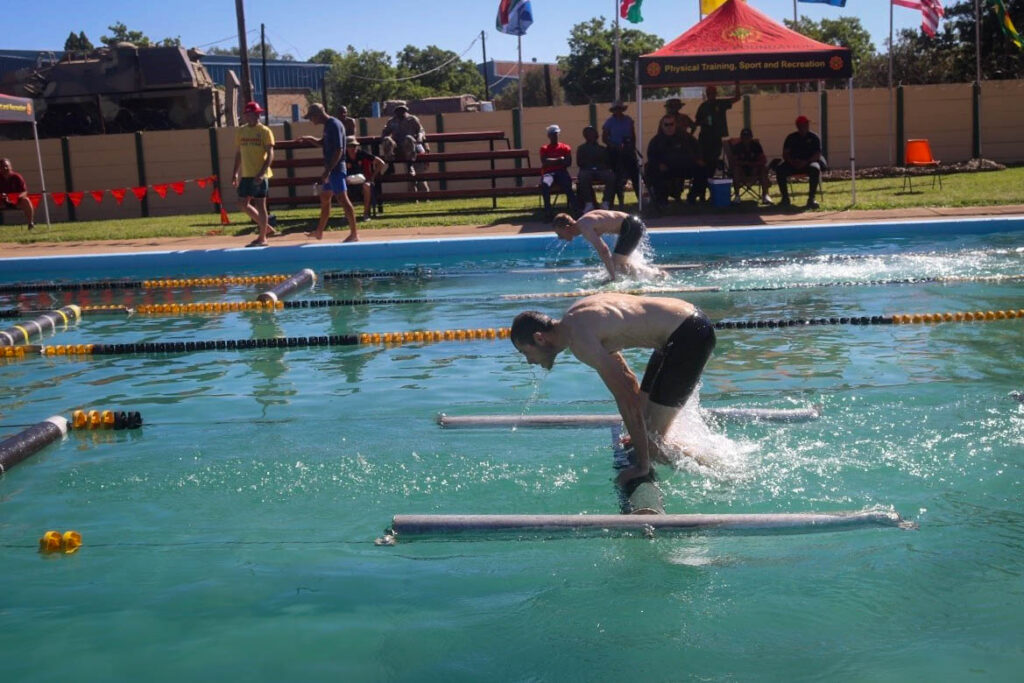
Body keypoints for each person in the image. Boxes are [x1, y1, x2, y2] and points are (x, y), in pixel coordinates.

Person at [511, 293, 716, 486]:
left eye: (525, 352)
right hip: (683, 328)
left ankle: (720, 471)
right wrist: (639, 433)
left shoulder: (579, 340)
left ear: (539, 338)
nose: (529, 361)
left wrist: (641, 465)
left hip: (689, 337)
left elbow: (625, 398)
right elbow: (628, 380)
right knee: (646, 433)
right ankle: (705, 460)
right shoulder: (575, 319)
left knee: (653, 443)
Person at [298, 103, 358, 242]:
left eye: (311, 117)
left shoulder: (334, 125)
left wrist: (328, 170)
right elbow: (323, 143)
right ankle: (319, 232)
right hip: (332, 169)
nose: (310, 120)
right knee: (325, 198)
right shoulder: (328, 126)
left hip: (335, 169)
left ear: (317, 115)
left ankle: (354, 234)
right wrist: (310, 139)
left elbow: (339, 150)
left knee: (343, 200)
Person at [550, 209, 653, 280]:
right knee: (620, 264)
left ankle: (656, 275)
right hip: (631, 224)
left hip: (631, 226)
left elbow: (604, 250)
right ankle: (650, 275)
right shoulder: (583, 223)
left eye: (559, 234)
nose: (559, 237)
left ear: (567, 228)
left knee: (617, 265)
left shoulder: (584, 227)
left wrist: (612, 278)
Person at [231, 101, 277, 247]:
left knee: (260, 204)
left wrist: (262, 173)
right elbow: (238, 153)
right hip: (246, 174)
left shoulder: (264, 131)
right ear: (246, 115)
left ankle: (262, 238)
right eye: (252, 114)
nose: (256, 116)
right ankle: (266, 227)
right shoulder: (241, 131)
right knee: (241, 203)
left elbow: (270, 153)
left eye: (257, 114)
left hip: (259, 175)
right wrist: (235, 173)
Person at [644, 115, 707, 210]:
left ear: (675, 125)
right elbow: (651, 157)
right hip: (666, 169)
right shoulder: (656, 141)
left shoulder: (685, 137)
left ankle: (692, 197)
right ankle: (662, 200)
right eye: (666, 124)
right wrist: (658, 165)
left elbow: (697, 147)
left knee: (702, 168)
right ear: (662, 126)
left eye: (671, 124)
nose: (669, 127)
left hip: (684, 167)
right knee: (650, 168)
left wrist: (698, 159)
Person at [775, 115, 824, 209]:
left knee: (815, 168)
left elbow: (817, 154)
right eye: (803, 124)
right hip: (793, 164)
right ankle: (785, 199)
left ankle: (811, 199)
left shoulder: (814, 137)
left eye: (806, 124)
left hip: (808, 163)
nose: (805, 126)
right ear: (798, 126)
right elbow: (785, 153)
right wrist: (792, 161)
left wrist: (806, 162)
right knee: (780, 169)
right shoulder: (791, 137)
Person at [381, 103, 429, 193]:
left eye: (402, 110)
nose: (401, 112)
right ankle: (391, 166)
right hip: (400, 148)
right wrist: (385, 138)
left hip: (414, 148)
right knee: (410, 177)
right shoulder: (392, 121)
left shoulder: (412, 119)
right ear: (395, 112)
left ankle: (425, 196)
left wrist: (422, 142)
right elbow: (385, 133)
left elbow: (421, 131)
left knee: (420, 175)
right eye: (398, 110)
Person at [695, 84, 741, 177]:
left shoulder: (720, 103)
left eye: (713, 93)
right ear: (707, 94)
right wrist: (703, 121)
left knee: (714, 159)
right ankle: (704, 179)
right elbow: (697, 122)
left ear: (716, 94)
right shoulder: (703, 106)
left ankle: (710, 178)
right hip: (704, 137)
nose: (711, 95)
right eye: (709, 93)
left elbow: (737, 98)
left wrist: (737, 84)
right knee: (703, 160)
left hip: (716, 137)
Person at [601, 101, 639, 204]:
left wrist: (631, 146)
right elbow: (604, 138)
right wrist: (614, 145)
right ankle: (618, 200)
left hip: (628, 151)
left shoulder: (628, 120)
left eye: (619, 109)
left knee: (635, 174)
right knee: (616, 177)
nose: (618, 111)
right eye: (616, 109)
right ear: (613, 110)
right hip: (615, 152)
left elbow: (632, 135)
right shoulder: (609, 122)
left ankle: (640, 200)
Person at [539, 124, 576, 220]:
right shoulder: (544, 148)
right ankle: (548, 212)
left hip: (561, 172)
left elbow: (568, 163)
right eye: (552, 134)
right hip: (548, 173)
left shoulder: (565, 147)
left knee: (568, 185)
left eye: (555, 134)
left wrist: (551, 161)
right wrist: (559, 159)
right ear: (548, 136)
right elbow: (544, 162)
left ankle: (576, 211)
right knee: (545, 184)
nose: (554, 136)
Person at [575, 126, 616, 212]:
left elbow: (607, 162)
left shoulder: (602, 149)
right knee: (583, 176)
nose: (591, 136)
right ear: (585, 136)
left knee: (611, 176)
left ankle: (606, 202)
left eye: (593, 134)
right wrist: (590, 165)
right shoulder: (581, 148)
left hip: (601, 170)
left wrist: (598, 167)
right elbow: (579, 162)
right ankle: (589, 203)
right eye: (588, 134)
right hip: (587, 170)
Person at [344, 137, 385, 222]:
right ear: (346, 147)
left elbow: (381, 163)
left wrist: (372, 177)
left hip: (362, 182)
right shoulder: (343, 156)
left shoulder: (362, 154)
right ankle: (347, 215)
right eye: (350, 146)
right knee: (342, 187)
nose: (353, 148)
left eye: (354, 146)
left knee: (367, 186)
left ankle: (366, 214)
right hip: (348, 183)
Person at [727, 127, 772, 205]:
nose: (746, 139)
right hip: (742, 170)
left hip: (754, 170)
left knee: (763, 169)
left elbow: (763, 160)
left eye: (748, 137)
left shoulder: (756, 146)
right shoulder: (737, 147)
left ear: (751, 137)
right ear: (741, 137)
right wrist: (744, 163)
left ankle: (765, 196)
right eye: (744, 136)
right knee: (736, 170)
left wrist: (753, 165)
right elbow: (733, 162)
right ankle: (737, 196)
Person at [0, 157, 35, 229]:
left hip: (17, 201)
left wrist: (18, 197)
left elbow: (24, 191)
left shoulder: (17, 177)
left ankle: (30, 223)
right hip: (2, 201)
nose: (5, 168)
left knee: (26, 200)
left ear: (11, 167)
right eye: (3, 166)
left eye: (7, 166)